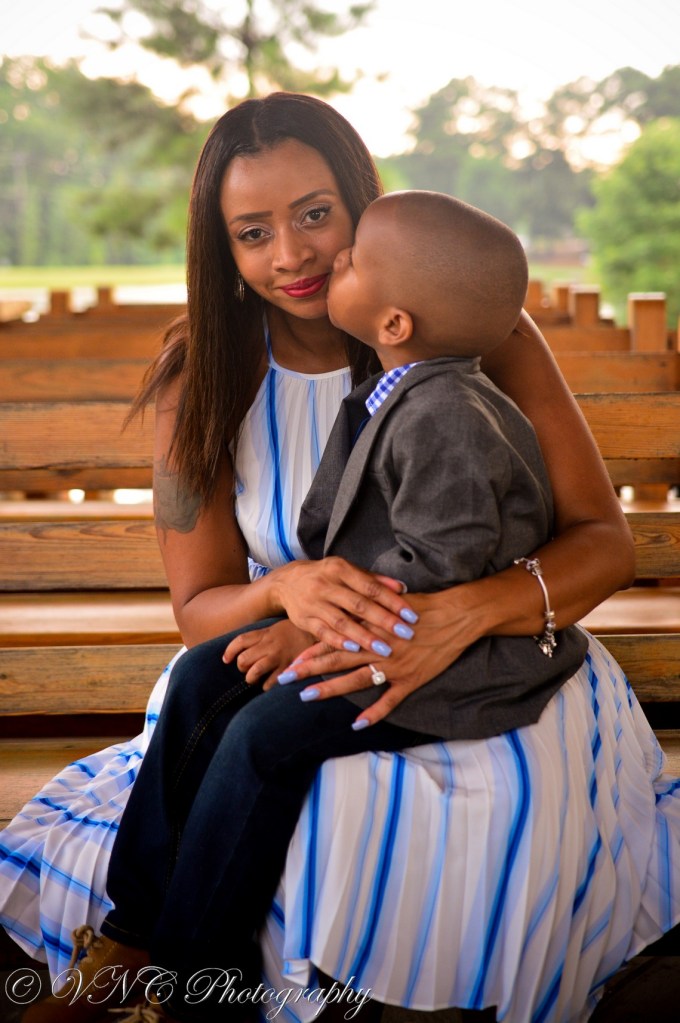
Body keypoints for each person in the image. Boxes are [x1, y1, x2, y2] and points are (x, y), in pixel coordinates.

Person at [2, 92, 678, 1023]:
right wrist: (284, 590)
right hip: (289, 654)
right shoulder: (201, 374)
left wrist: (458, 614)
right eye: (253, 233)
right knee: (241, 733)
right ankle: (147, 952)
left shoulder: (468, 329)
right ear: (223, 250)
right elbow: (199, 611)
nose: (292, 255)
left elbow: (605, 544)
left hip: (498, 644)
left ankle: (246, 991)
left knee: (398, 797)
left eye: (316, 215)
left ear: (363, 203)